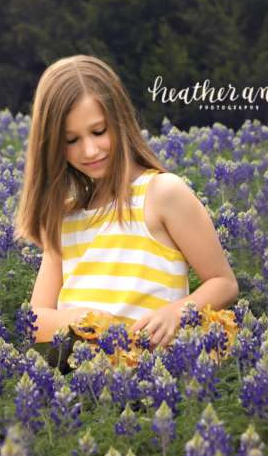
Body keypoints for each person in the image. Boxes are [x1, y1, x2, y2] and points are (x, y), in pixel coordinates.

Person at [15, 55, 238, 349]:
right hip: (78, 378)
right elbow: (36, 319)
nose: (90, 149)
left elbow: (224, 283)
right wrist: (74, 319)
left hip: (152, 372)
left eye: (99, 131)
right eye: (71, 140)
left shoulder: (162, 193)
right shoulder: (65, 218)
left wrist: (178, 313)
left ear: (120, 120)